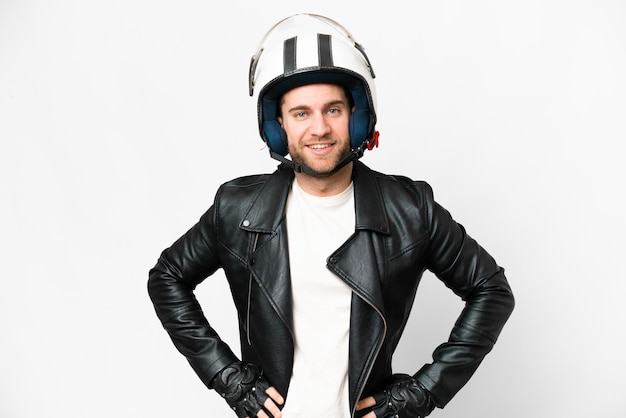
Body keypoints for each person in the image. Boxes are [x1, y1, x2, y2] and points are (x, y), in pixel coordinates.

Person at [148, 13, 514, 418]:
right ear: (279, 126)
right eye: (301, 113)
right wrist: (228, 378)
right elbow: (167, 277)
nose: (318, 128)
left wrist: (423, 393)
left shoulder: (411, 208)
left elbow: (492, 290)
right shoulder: (237, 208)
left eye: (333, 110)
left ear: (357, 119)